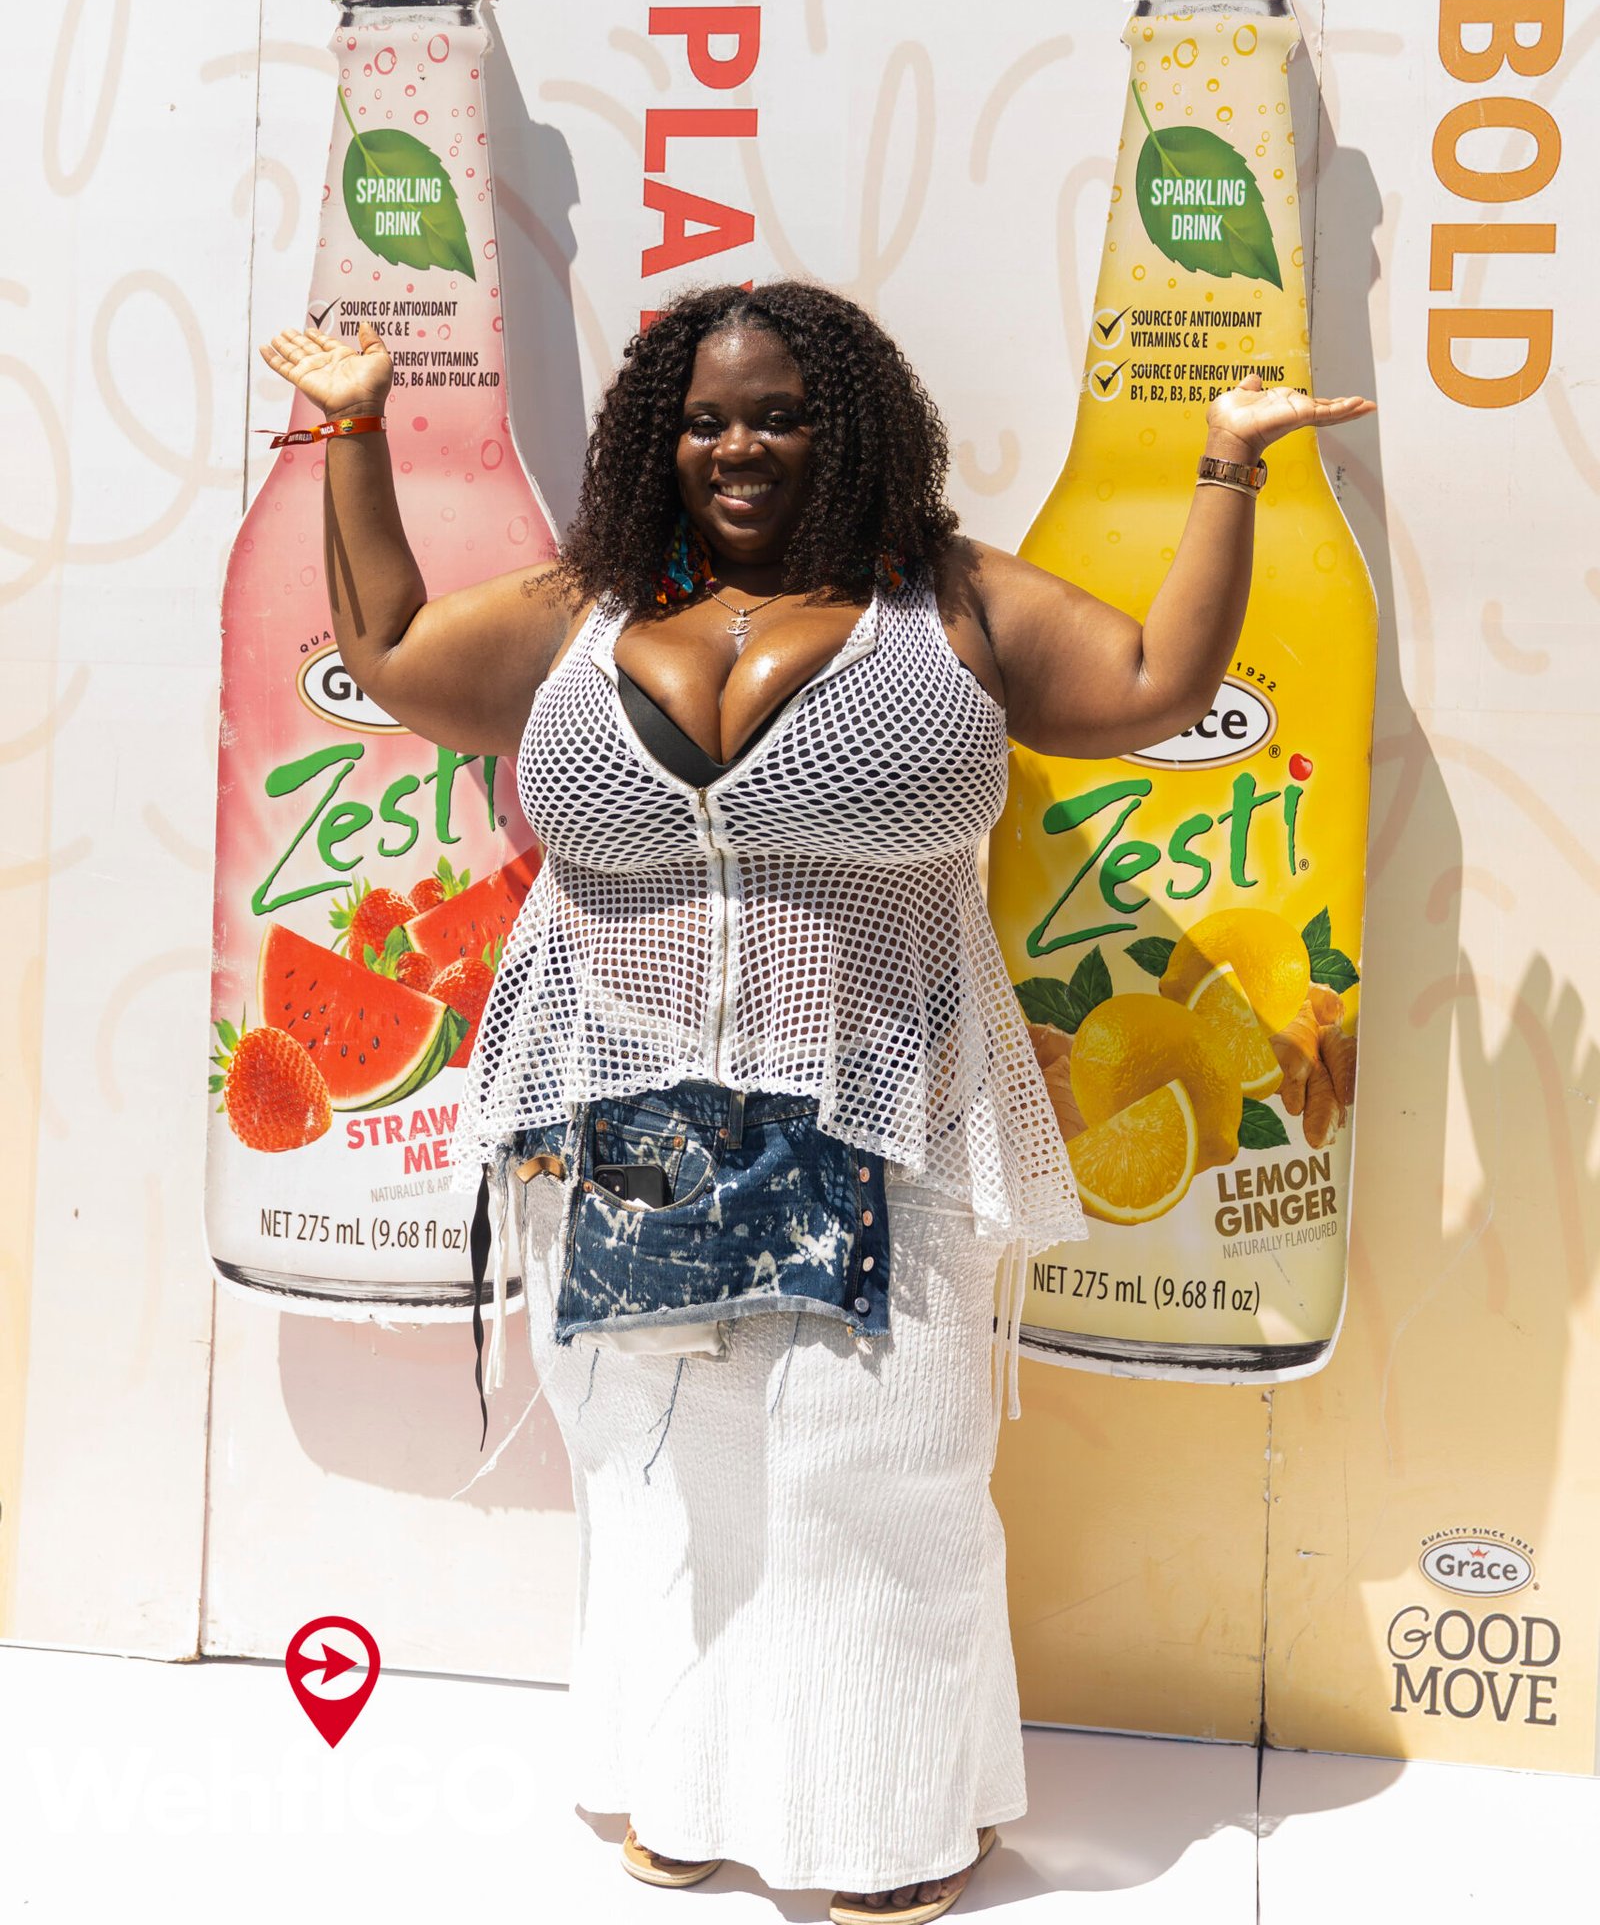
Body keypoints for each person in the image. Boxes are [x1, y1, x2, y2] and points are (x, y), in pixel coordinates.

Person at [259, 279, 1374, 1920]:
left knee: (878, 1488)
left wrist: (1227, 467)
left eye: (779, 413)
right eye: (706, 418)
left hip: (883, 1118)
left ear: (846, 427)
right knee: (662, 1486)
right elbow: (394, 652)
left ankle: (882, 1825)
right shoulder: (583, 611)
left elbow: (1152, 683)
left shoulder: (950, 603)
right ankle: (679, 1789)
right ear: (660, 438)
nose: (740, 446)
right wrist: (354, 427)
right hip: (621, 1131)